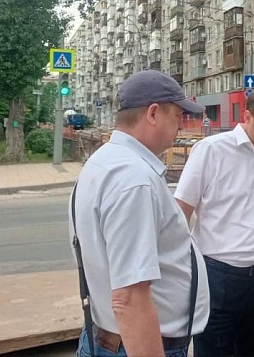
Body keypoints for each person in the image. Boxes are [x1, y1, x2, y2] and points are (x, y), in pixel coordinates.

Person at [68, 70, 210, 357]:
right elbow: (129, 298)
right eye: (177, 116)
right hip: (137, 345)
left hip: (110, 339)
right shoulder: (134, 179)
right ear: (154, 113)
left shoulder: (103, 162)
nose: (180, 126)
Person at [175, 87, 254, 357]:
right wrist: (181, 273)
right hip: (218, 279)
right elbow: (181, 212)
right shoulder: (210, 151)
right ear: (248, 117)